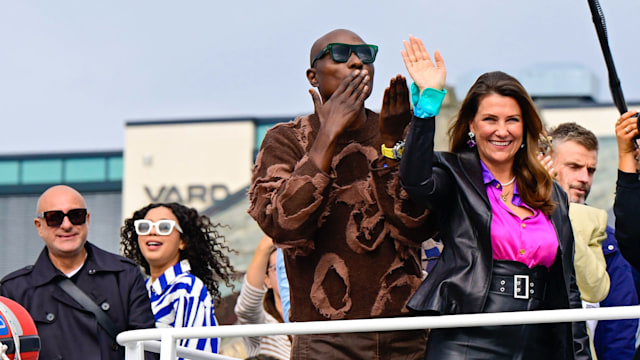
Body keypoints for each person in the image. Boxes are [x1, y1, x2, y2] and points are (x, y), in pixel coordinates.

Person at [398, 36, 591, 359]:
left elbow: (568, 287)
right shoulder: (454, 174)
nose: (502, 131)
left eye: (512, 120)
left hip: (539, 341)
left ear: (525, 126)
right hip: (469, 340)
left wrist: (580, 354)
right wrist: (426, 109)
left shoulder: (551, 192)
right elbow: (415, 180)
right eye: (490, 119)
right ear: (472, 124)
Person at [248, 29, 436, 359]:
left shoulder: (395, 127)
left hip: (402, 335)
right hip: (324, 336)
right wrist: (327, 135)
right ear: (312, 75)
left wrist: (392, 145)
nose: (355, 62)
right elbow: (282, 225)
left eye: (365, 55)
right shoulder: (286, 139)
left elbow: (418, 225)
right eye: (339, 53)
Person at [0, 185, 157, 360]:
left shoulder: (123, 274)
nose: (66, 225)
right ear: (39, 226)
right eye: (54, 218)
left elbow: (147, 347)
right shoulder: (14, 290)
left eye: (76, 216)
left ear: (87, 219)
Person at [547, 122, 638, 359]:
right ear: (547, 163)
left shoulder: (611, 244)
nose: (584, 178)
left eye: (591, 170)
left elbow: (621, 328)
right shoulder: (515, 230)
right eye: (574, 166)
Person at [120, 202, 236, 355]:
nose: (152, 232)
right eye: (144, 227)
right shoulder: (143, 289)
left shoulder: (187, 287)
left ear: (183, 241)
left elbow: (194, 354)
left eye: (164, 227)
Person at [234, 235, 291, 359]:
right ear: (267, 280)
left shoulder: (318, 316)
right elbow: (246, 307)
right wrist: (268, 243)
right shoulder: (263, 326)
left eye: (292, 266)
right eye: (279, 269)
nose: (287, 273)